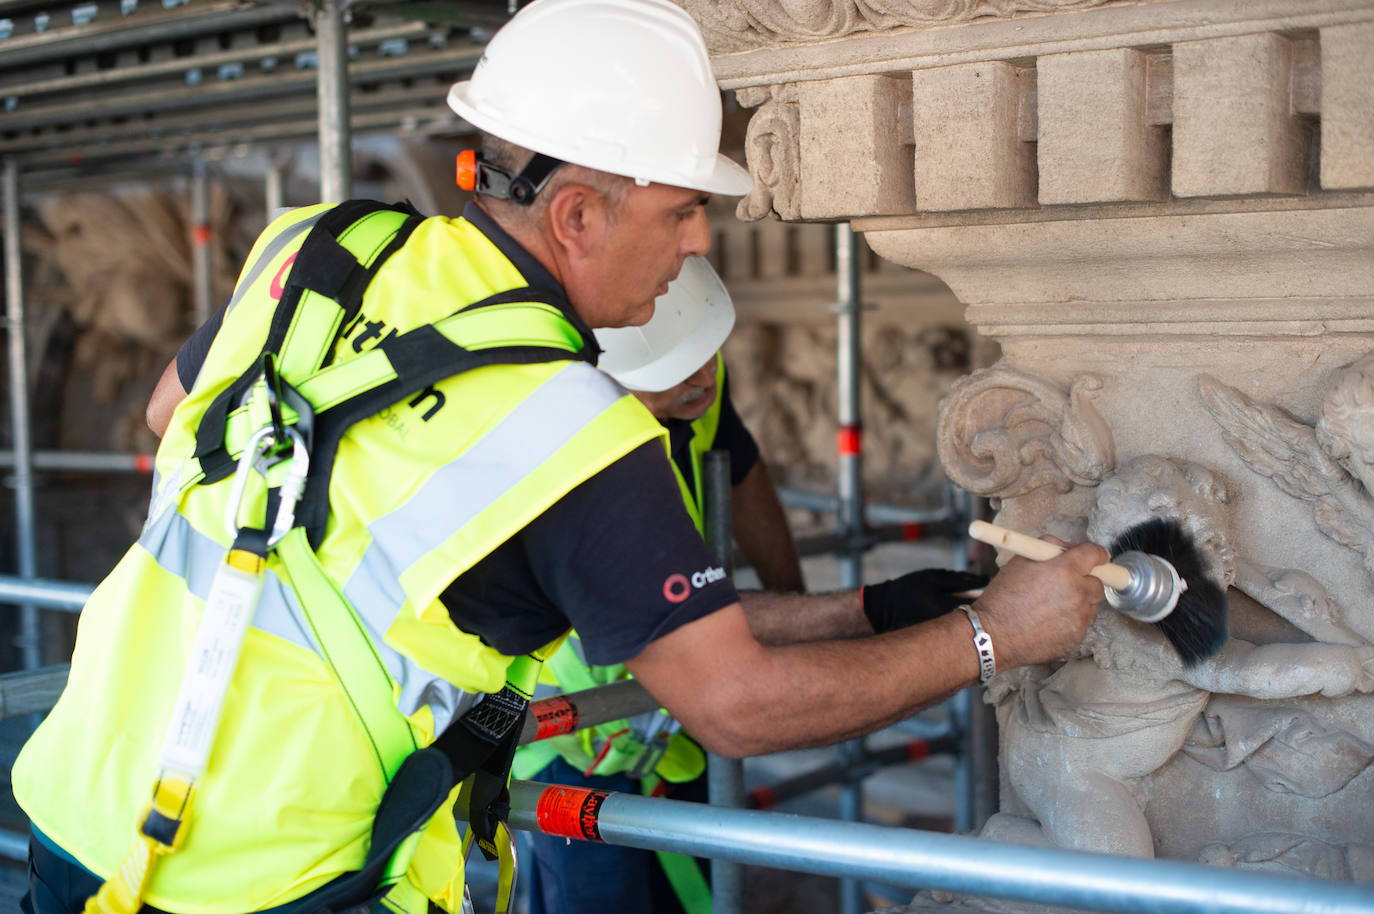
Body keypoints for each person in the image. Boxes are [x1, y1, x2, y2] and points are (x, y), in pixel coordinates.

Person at [11, 1, 1107, 912]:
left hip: (81, 806)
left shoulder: (322, 252)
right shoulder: (570, 425)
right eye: (682, 212)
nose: (699, 245)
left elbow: (172, 417)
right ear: (577, 212)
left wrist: (869, 606)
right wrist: (996, 633)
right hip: (261, 877)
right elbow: (733, 699)